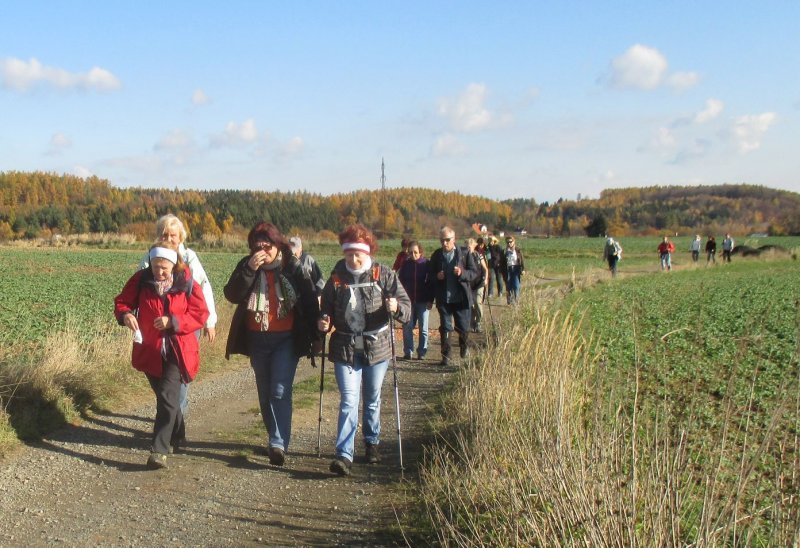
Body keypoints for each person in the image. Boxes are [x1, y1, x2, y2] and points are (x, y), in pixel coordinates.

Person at [317, 224, 411, 476]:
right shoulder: (336, 278)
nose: (354, 259)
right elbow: (325, 307)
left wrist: (396, 308)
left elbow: (406, 307)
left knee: (371, 398)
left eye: (359, 254)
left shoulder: (383, 274)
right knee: (349, 399)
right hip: (345, 346)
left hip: (377, 346)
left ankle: (372, 443)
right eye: (349, 254)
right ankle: (344, 455)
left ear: (368, 252)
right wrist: (324, 321)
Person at [223, 222, 320, 466]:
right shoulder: (247, 266)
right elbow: (232, 294)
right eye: (257, 246)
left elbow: (309, 300)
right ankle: (273, 436)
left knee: (279, 390)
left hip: (286, 338)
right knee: (265, 393)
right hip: (257, 338)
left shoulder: (292, 267)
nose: (262, 251)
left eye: (267, 246)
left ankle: (278, 443)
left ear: (278, 245)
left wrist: (317, 336)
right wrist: (248, 270)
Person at [114, 241, 209, 469]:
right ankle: (178, 432)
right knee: (166, 397)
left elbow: (200, 313)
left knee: (167, 397)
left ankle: (158, 451)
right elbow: (122, 302)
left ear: (174, 264)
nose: (159, 271)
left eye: (164, 267)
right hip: (150, 349)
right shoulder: (141, 280)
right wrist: (126, 315)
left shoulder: (186, 282)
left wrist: (173, 321)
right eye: (155, 266)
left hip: (178, 349)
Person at [138, 214, 218, 432]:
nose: (169, 238)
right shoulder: (150, 257)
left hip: (186, 327)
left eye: (173, 234)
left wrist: (210, 321)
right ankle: (173, 426)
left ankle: (170, 429)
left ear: (180, 236)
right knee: (162, 383)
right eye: (164, 234)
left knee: (179, 381)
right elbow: (139, 286)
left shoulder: (189, 258)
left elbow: (204, 289)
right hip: (156, 329)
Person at [428, 226, 480, 366]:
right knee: (445, 327)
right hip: (444, 298)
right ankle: (446, 356)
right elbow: (429, 276)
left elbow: (474, 273)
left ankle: (464, 346)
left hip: (461, 298)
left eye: (447, 240)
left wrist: (462, 273)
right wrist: (437, 276)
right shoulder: (437, 255)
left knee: (463, 327)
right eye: (442, 240)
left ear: (454, 239)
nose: (444, 243)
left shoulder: (464, 253)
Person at [397, 240, 432, 360]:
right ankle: (408, 351)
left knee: (423, 328)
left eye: (416, 252)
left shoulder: (426, 264)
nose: (413, 255)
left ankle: (422, 352)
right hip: (408, 302)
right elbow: (400, 282)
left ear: (420, 252)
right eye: (411, 253)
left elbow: (431, 283)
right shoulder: (406, 264)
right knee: (407, 327)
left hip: (423, 300)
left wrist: (430, 299)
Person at [466, 238, 489, 332]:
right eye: (466, 246)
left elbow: (485, 269)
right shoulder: (464, 257)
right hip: (469, 284)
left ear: (473, 246)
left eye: (469, 246)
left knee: (478, 303)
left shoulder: (479, 255)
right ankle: (472, 323)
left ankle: (478, 322)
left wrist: (486, 279)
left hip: (479, 283)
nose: (468, 248)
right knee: (471, 305)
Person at [500, 235, 525, 304]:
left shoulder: (518, 250)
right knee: (509, 286)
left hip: (516, 269)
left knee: (516, 285)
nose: (509, 243)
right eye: (507, 242)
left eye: (510, 242)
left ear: (514, 242)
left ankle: (516, 301)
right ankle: (510, 302)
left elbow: (522, 260)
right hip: (507, 269)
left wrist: (523, 269)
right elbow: (501, 262)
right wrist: (502, 271)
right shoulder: (504, 251)